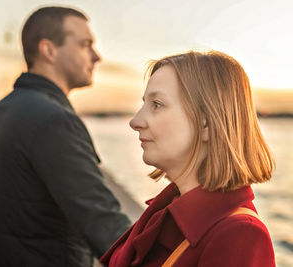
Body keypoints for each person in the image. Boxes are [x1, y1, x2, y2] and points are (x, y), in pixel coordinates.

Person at [0, 6, 131, 267]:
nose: (97, 56)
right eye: (85, 45)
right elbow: (103, 223)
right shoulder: (55, 121)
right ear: (48, 50)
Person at [100, 51, 276, 267]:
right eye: (144, 103)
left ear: (207, 125)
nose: (136, 121)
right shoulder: (165, 212)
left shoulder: (239, 235)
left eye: (156, 104)